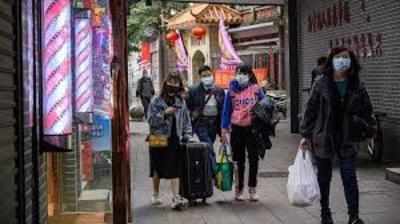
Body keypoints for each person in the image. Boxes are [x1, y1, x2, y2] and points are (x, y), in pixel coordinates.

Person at [300, 47, 375, 224]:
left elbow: (367, 110)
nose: (342, 60)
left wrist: (368, 127)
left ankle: (354, 216)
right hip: (324, 136)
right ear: (332, 60)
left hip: (347, 137)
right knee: (324, 178)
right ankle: (325, 213)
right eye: (339, 57)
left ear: (351, 62)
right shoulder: (321, 83)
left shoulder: (356, 84)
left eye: (346, 58)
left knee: (349, 176)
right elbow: (310, 110)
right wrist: (305, 135)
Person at [147, 73, 192, 209]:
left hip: (174, 138)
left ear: (179, 85)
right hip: (158, 137)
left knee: (175, 167)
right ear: (165, 83)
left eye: (176, 82)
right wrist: (164, 113)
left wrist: (187, 134)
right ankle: (155, 194)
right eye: (170, 82)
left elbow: (186, 120)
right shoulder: (156, 100)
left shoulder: (180, 101)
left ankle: (175, 197)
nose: (173, 85)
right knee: (157, 167)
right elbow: (150, 120)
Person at [221, 64, 265, 202]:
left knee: (253, 159)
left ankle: (252, 188)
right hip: (237, 128)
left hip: (253, 129)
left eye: (244, 73)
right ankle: (239, 189)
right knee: (238, 160)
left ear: (249, 74)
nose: (241, 76)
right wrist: (224, 127)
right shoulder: (232, 90)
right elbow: (226, 110)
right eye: (238, 73)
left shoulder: (256, 89)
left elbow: (265, 104)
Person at [186, 65, 225, 177]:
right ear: (200, 77)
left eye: (208, 75)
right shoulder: (193, 90)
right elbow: (188, 107)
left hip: (214, 123)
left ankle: (205, 170)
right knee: (208, 147)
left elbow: (222, 109)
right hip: (201, 123)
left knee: (208, 147)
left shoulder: (219, 90)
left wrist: (223, 128)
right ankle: (214, 173)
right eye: (204, 76)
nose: (207, 77)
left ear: (212, 75)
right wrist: (192, 114)